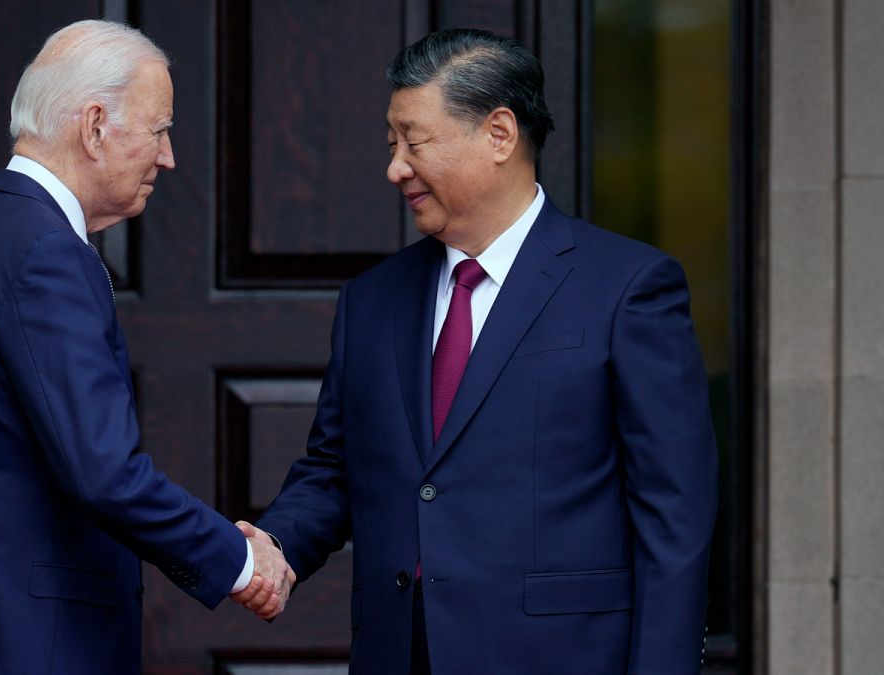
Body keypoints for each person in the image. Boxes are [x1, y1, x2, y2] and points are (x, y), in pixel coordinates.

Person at [242, 28, 718, 674]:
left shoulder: (627, 288)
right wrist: (273, 545)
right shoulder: (372, 301)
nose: (395, 167)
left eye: (414, 142)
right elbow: (334, 470)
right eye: (391, 145)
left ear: (499, 134)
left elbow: (675, 518)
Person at [0, 20, 292, 675]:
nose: (169, 156)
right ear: (95, 126)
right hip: (16, 640)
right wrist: (237, 561)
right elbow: (104, 472)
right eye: (159, 130)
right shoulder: (46, 254)